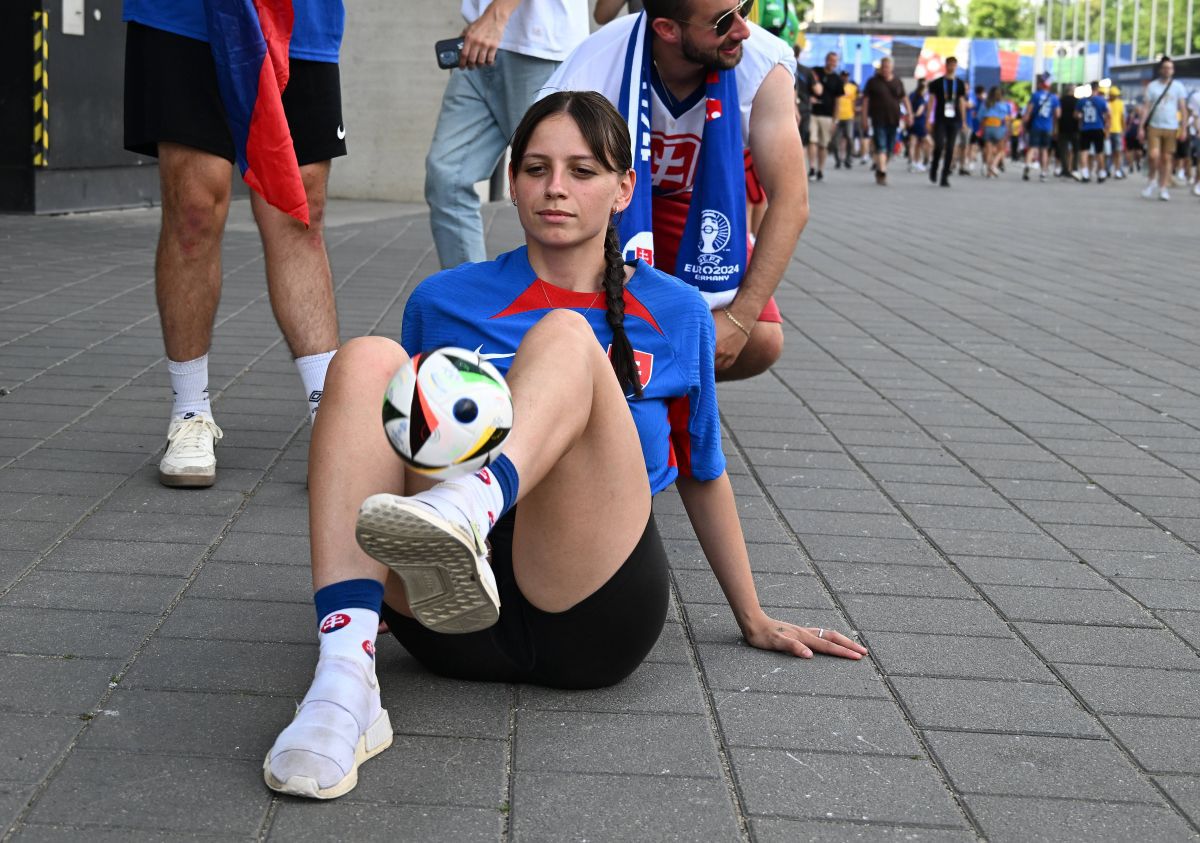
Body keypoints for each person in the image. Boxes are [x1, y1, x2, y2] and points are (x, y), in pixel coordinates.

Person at [262, 90, 867, 800]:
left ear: (624, 190)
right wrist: (374, 583)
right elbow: (397, 450)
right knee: (365, 359)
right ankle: (343, 682)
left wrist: (753, 616)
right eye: (537, 169)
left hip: (588, 611)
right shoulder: (442, 299)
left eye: (582, 171)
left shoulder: (677, 311)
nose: (555, 188)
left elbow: (703, 471)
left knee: (567, 338)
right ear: (512, 181)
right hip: (449, 629)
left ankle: (468, 508)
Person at [122, 0, 346, 488]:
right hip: (185, 17)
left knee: (299, 211)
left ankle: (329, 414)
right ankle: (189, 412)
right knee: (194, 207)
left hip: (301, 19)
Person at [540, 0, 808, 382]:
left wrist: (740, 318)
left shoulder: (763, 63)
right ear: (666, 29)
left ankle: (667, 390)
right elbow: (546, 186)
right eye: (722, 22)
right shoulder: (592, 67)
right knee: (583, 329)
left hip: (695, 203)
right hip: (609, 208)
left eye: (744, 7)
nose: (743, 29)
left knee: (761, 340)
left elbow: (791, 200)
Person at [424, 0, 589, 269]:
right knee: (447, 177)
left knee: (556, 184)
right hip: (479, 43)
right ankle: (470, 291)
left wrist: (496, 15)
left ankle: (572, 287)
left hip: (539, 46)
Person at [1138, 57, 1190, 201]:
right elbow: (1146, 108)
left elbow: (1183, 109)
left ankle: (1163, 187)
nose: (1167, 70)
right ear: (1161, 70)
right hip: (1154, 126)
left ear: (1173, 71)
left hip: (1171, 127)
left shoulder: (1178, 87)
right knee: (1153, 156)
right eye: (1165, 68)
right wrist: (1141, 127)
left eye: (1170, 68)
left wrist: (1184, 128)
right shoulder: (1152, 86)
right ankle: (1151, 181)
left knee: (1167, 158)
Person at [861, 57, 906, 186]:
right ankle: (883, 171)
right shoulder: (872, 82)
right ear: (881, 68)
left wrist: (909, 114)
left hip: (894, 119)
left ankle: (880, 169)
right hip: (878, 119)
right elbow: (865, 101)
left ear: (892, 68)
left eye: (888, 67)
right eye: (884, 67)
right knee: (881, 146)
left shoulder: (897, 82)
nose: (885, 69)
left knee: (890, 149)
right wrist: (864, 117)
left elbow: (904, 98)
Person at [927, 57, 967, 187]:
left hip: (954, 119)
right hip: (940, 119)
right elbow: (931, 102)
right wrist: (928, 119)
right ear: (946, 65)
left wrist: (964, 121)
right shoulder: (937, 83)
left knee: (950, 147)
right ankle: (934, 167)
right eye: (950, 65)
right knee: (939, 145)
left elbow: (961, 102)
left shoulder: (960, 84)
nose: (952, 67)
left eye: (954, 65)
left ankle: (944, 175)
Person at [809, 51, 845, 181]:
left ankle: (820, 170)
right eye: (830, 60)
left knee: (823, 144)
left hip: (828, 115)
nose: (832, 63)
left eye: (835, 61)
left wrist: (836, 120)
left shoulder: (837, 79)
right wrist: (809, 97)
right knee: (812, 140)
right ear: (826, 60)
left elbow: (838, 102)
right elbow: (806, 86)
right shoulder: (815, 71)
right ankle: (812, 168)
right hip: (813, 112)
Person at [1076, 82, 1110, 183]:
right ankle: (1101, 173)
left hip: (1085, 128)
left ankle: (1085, 173)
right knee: (1099, 152)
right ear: (1097, 89)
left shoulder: (1082, 101)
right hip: (1098, 128)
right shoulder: (1101, 100)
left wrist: (1081, 118)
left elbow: (1076, 114)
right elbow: (1108, 115)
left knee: (1084, 151)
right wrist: (1107, 128)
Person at [979, 85, 1009, 178]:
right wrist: (1007, 131)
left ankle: (989, 172)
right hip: (999, 127)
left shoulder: (985, 103)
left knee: (989, 150)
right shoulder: (1004, 105)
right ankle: (993, 165)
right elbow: (1006, 119)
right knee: (1001, 150)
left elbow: (980, 117)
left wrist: (982, 128)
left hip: (987, 126)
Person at [794, 45, 817, 148]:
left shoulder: (781, 67)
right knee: (801, 141)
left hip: (786, 108)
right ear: (799, 54)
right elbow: (817, 90)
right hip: (803, 108)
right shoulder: (807, 71)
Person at [834, 70, 858, 168]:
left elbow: (854, 101)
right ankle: (838, 160)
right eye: (843, 75)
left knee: (849, 137)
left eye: (846, 76)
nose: (845, 77)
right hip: (837, 116)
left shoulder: (853, 88)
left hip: (849, 116)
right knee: (836, 140)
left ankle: (848, 159)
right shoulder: (836, 86)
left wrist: (854, 114)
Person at [907, 78, 930, 172]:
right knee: (927, 143)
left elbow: (908, 106)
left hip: (912, 121)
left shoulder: (912, 95)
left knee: (914, 144)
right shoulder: (921, 98)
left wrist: (910, 116)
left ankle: (913, 162)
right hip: (919, 122)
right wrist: (915, 115)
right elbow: (920, 111)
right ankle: (924, 161)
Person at [1107, 85, 1126, 179]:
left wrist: (1123, 129)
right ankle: (1108, 169)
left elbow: (1122, 118)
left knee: (1117, 152)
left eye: (1116, 95)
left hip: (1117, 130)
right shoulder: (1107, 104)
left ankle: (1118, 170)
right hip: (1109, 131)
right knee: (1109, 152)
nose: (1115, 97)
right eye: (1113, 95)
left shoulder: (1120, 103)